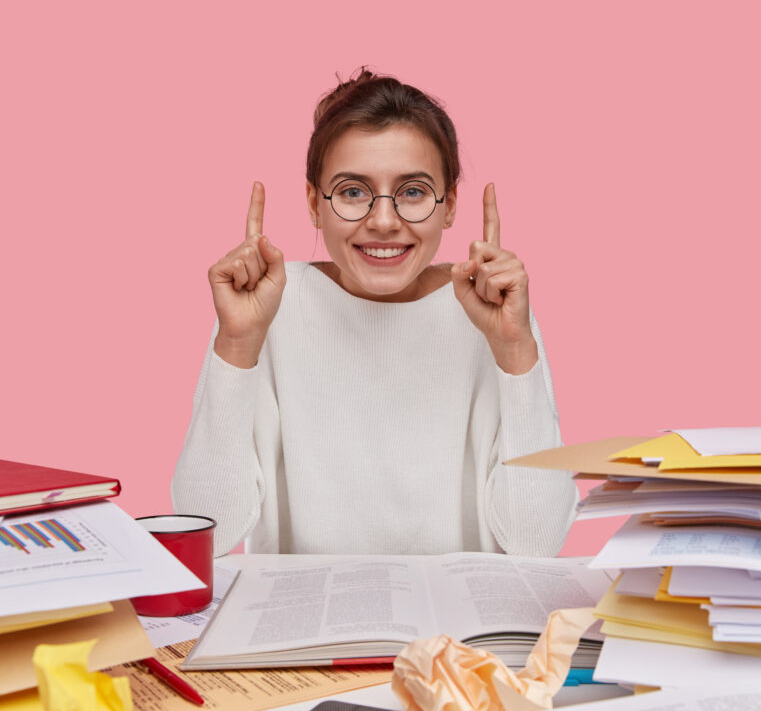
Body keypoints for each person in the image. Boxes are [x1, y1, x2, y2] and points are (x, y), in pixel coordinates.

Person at [172, 71, 577, 557]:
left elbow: (538, 544)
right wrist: (237, 344)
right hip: (309, 626)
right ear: (312, 204)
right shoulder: (267, 306)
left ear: (448, 207)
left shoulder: (496, 311)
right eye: (352, 192)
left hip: (457, 629)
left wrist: (515, 352)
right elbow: (208, 531)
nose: (383, 222)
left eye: (412, 192)